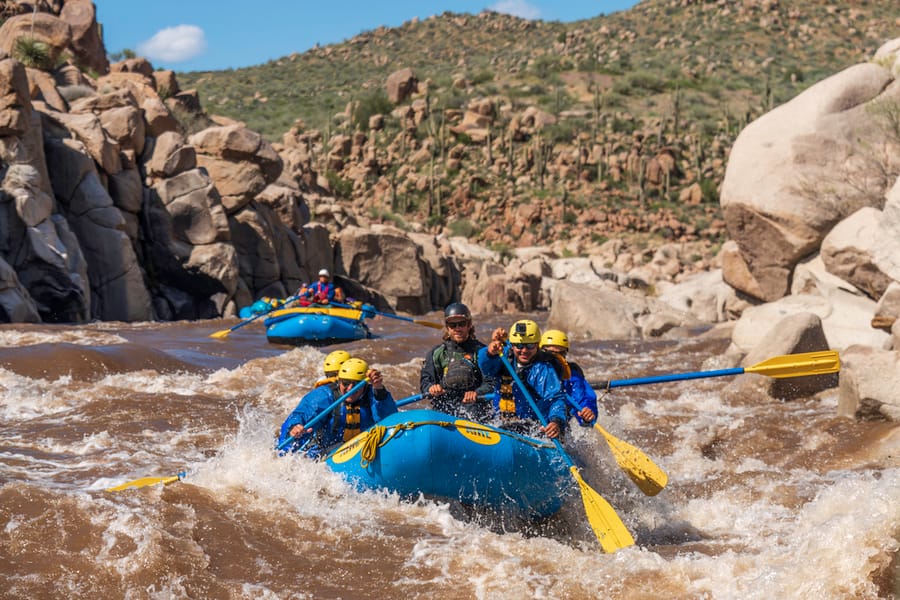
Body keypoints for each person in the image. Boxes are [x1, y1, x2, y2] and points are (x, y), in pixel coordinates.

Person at [277, 357, 397, 458]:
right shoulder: (324, 396)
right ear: (339, 381)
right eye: (345, 383)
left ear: (364, 385)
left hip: (363, 448)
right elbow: (302, 414)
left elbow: (389, 420)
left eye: (355, 384)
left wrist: (379, 389)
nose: (350, 388)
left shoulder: (373, 395)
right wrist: (295, 427)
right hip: (326, 452)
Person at [477, 319, 570, 439]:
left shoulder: (542, 369)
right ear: (513, 345)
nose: (524, 350)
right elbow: (486, 367)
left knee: (505, 430)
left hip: (533, 424)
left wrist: (556, 421)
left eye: (530, 346)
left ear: (537, 345)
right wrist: (489, 353)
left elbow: (555, 398)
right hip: (501, 420)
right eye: (519, 346)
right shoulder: (504, 356)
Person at [419, 302, 493, 420]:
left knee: (473, 410)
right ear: (448, 328)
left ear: (469, 325)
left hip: (474, 406)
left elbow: (490, 382)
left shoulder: (482, 352)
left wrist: (477, 393)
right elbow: (425, 380)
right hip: (445, 405)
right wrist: (431, 387)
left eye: (461, 324)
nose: (457, 328)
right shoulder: (437, 353)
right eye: (453, 325)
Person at [539, 329, 597, 426]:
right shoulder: (531, 368)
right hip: (530, 422)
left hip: (558, 424)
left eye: (560, 354)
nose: (555, 358)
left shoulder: (572, 376)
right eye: (551, 353)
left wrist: (587, 414)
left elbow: (583, 399)